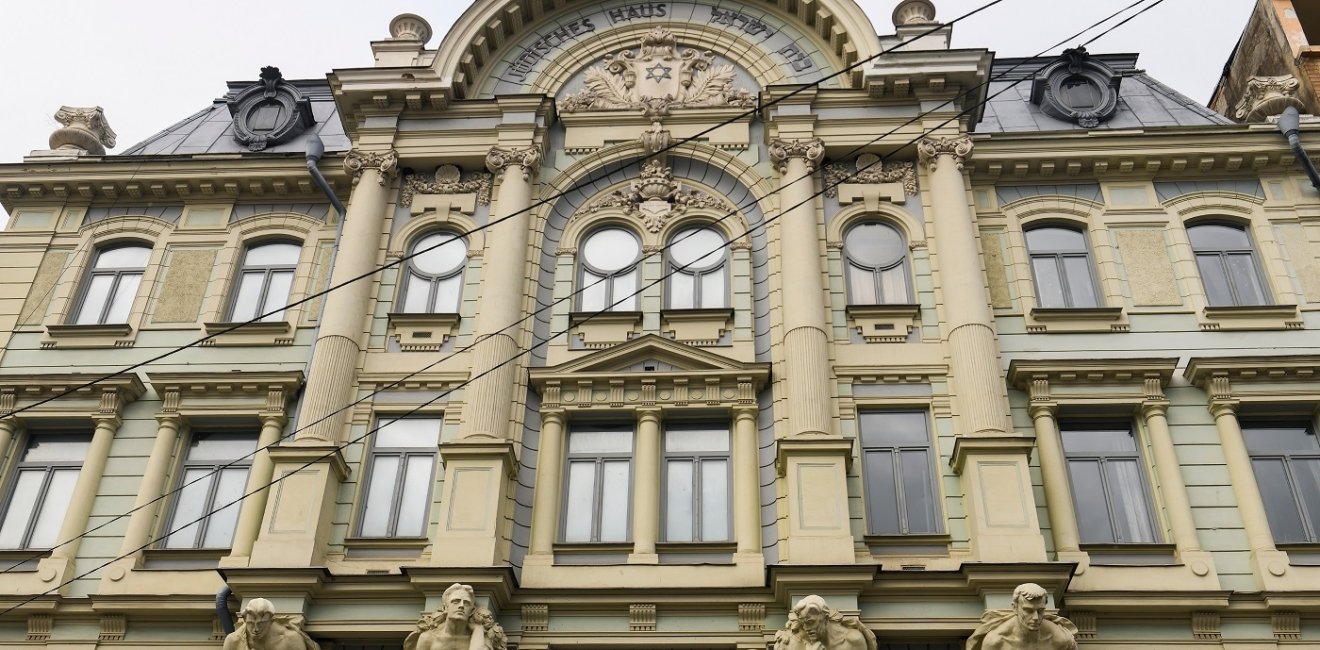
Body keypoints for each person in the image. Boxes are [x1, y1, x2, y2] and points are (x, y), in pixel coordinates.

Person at [966, 584, 1077, 650]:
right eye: (1028, 610)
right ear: (1015, 608)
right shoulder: (995, 641)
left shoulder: (1059, 639)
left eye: (1040, 610)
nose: (1035, 617)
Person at [405, 583, 507, 650]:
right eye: (456, 601)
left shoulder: (479, 638)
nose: (461, 606)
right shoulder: (428, 638)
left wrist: (478, 629)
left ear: (471, 611)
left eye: (466, 603)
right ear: (445, 608)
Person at [774, 595, 877, 650]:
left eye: (810, 622)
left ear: (825, 617)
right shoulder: (796, 640)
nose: (806, 628)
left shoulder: (853, 640)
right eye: (803, 623)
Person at [223, 598, 318, 650]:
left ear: (271, 621)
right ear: (244, 620)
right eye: (250, 623)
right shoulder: (233, 641)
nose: (255, 629)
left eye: (261, 624)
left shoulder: (290, 639)